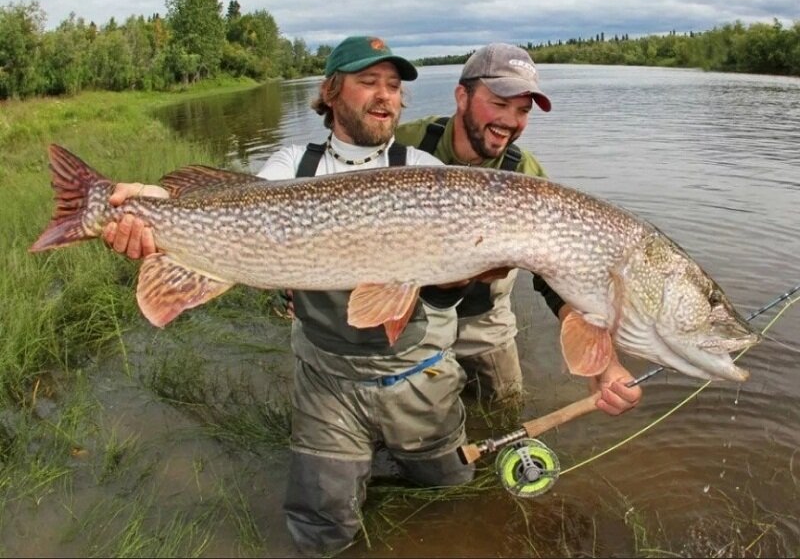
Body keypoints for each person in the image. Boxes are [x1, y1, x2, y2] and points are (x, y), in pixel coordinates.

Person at [102, 37, 641, 556]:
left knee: (455, 493)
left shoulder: (427, 170)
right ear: (332, 92)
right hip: (327, 378)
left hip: (418, 368)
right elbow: (236, 201)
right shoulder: (295, 164)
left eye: (394, 85)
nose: (386, 94)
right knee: (321, 522)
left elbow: (521, 264)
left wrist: (462, 276)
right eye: (368, 82)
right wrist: (149, 204)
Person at [395, 43, 641, 415]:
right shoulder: (406, 144)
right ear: (462, 96)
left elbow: (554, 275)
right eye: (499, 103)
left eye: (522, 110)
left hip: (484, 319)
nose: (511, 121)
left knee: (505, 413)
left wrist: (603, 363)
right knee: (408, 417)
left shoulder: (523, 172)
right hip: (410, 310)